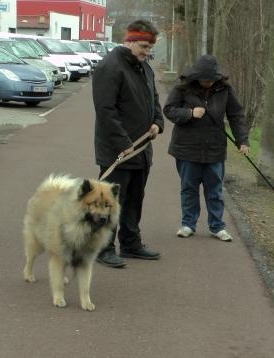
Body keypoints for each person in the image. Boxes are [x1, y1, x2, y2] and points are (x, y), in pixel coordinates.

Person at [92, 19, 164, 268]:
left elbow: (154, 99)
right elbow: (105, 110)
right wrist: (122, 142)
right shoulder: (110, 67)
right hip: (117, 152)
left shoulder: (145, 68)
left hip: (142, 151)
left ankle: (131, 243)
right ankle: (103, 248)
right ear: (129, 40)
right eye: (143, 46)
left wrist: (158, 122)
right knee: (109, 203)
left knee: (135, 200)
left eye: (149, 48)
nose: (146, 52)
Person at [163, 55, 250, 242]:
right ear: (196, 76)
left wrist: (242, 140)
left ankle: (217, 226)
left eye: (211, 80)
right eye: (204, 80)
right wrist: (189, 113)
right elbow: (169, 110)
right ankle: (188, 224)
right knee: (189, 188)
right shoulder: (182, 88)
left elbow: (236, 115)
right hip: (187, 148)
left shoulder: (225, 90)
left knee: (215, 190)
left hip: (215, 148)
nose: (208, 83)